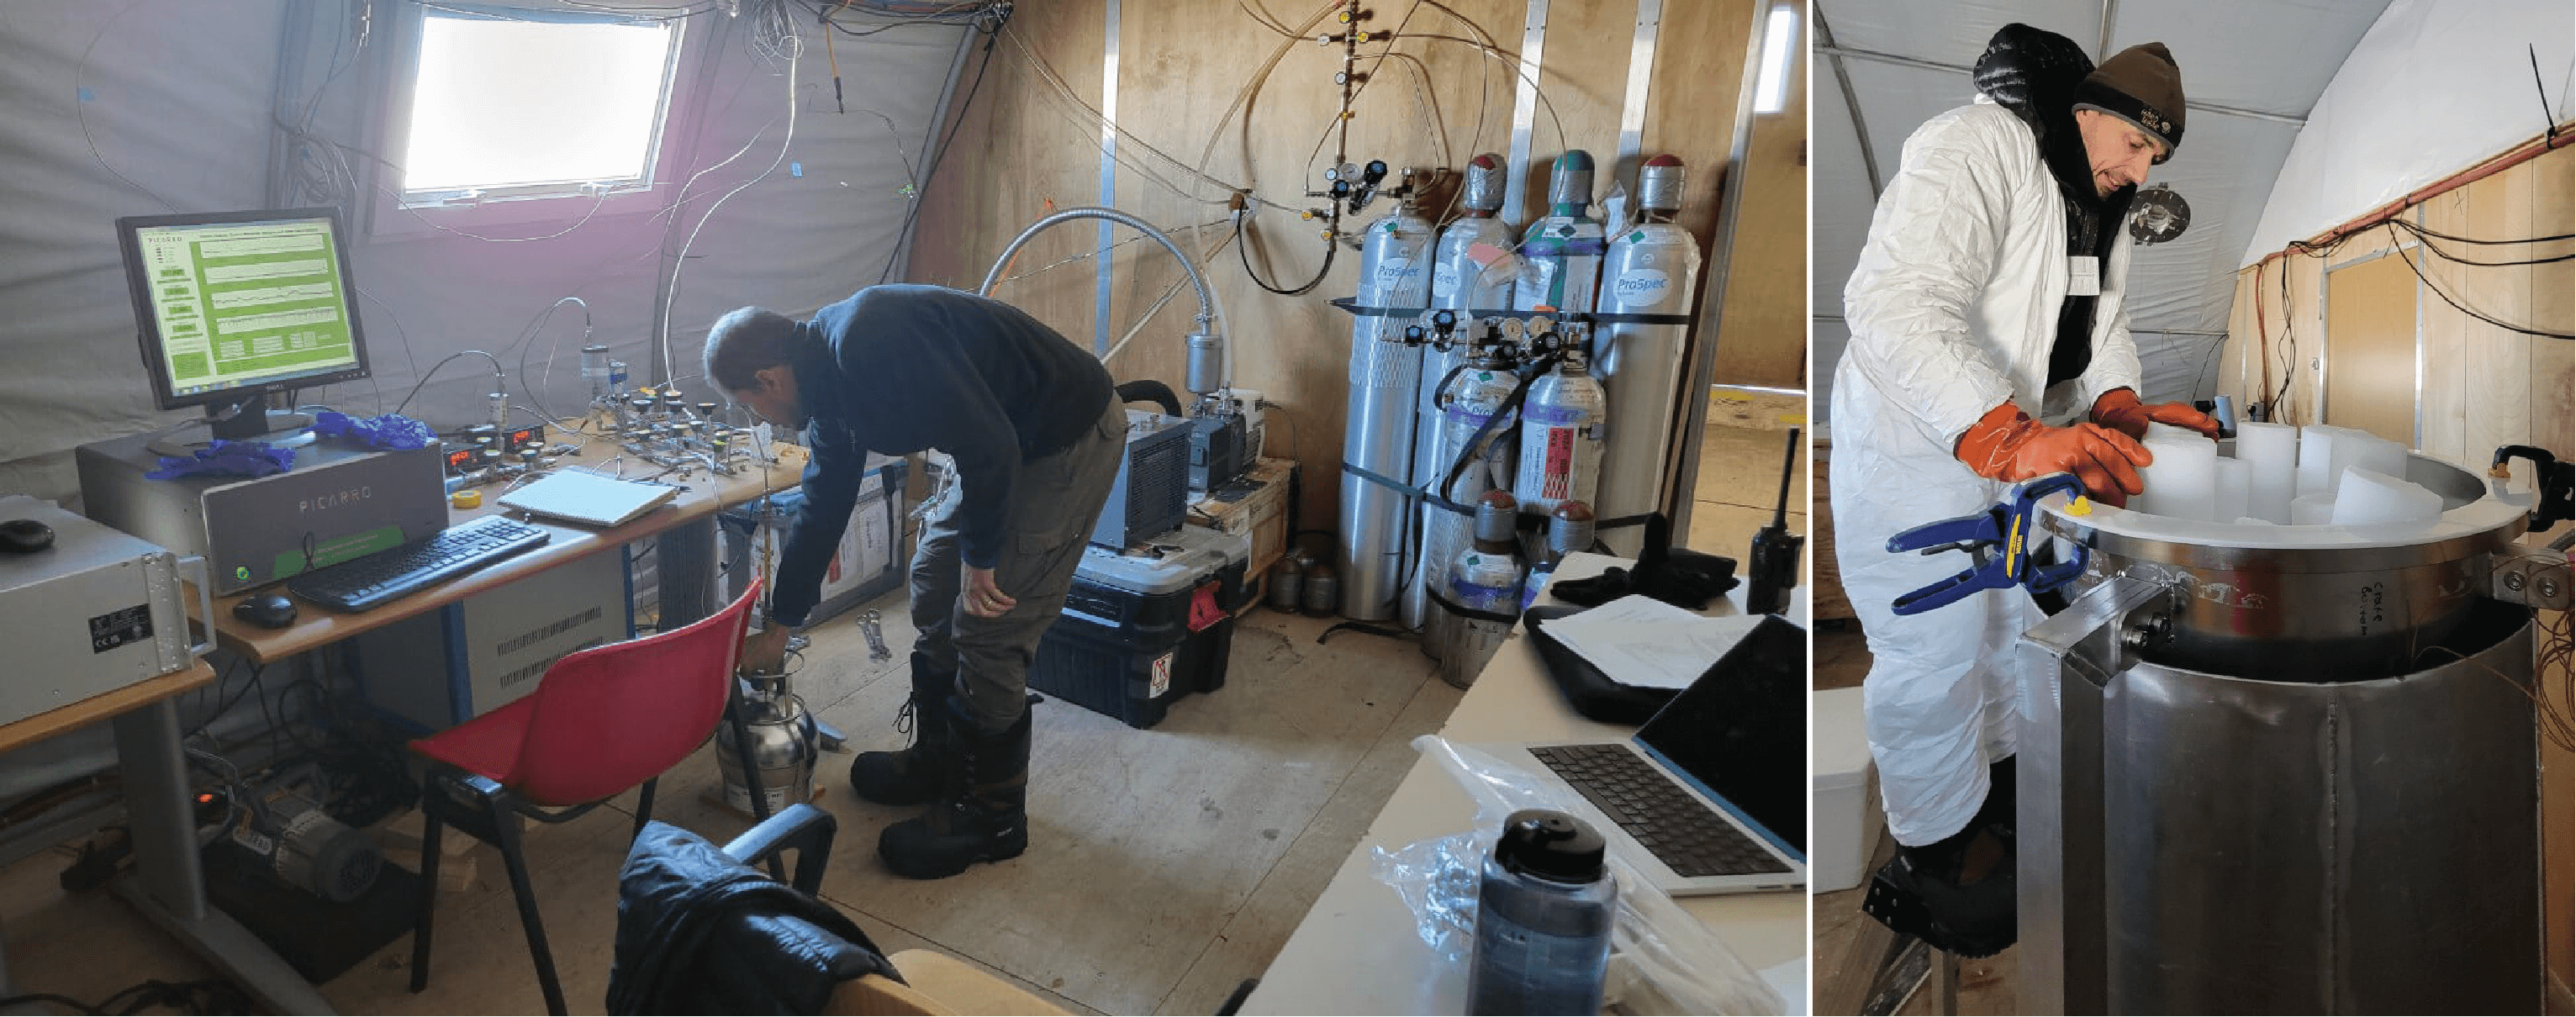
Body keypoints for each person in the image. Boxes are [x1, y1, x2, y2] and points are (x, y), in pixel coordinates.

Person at [1831, 24, 2219, 956]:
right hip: (1921, 444)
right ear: (2092, 111)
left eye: (2155, 156)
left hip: (2022, 447)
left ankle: (1995, 790)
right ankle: (1933, 849)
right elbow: (1897, 300)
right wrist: (1996, 431)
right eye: (2136, 142)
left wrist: (2116, 398)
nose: (2140, 165)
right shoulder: (1977, 146)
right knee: (1931, 651)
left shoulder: (2090, 205)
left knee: (2008, 627)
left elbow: (2096, 321)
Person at [705, 284, 1124, 880]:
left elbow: (991, 445)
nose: (761, 419)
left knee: (987, 621)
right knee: (931, 577)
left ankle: (994, 817)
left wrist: (983, 558)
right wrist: (779, 628)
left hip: (1064, 436)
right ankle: (943, 760)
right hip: (1005, 440)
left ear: (768, 380)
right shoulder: (828, 391)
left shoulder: (869, 342)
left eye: (750, 405)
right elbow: (824, 506)